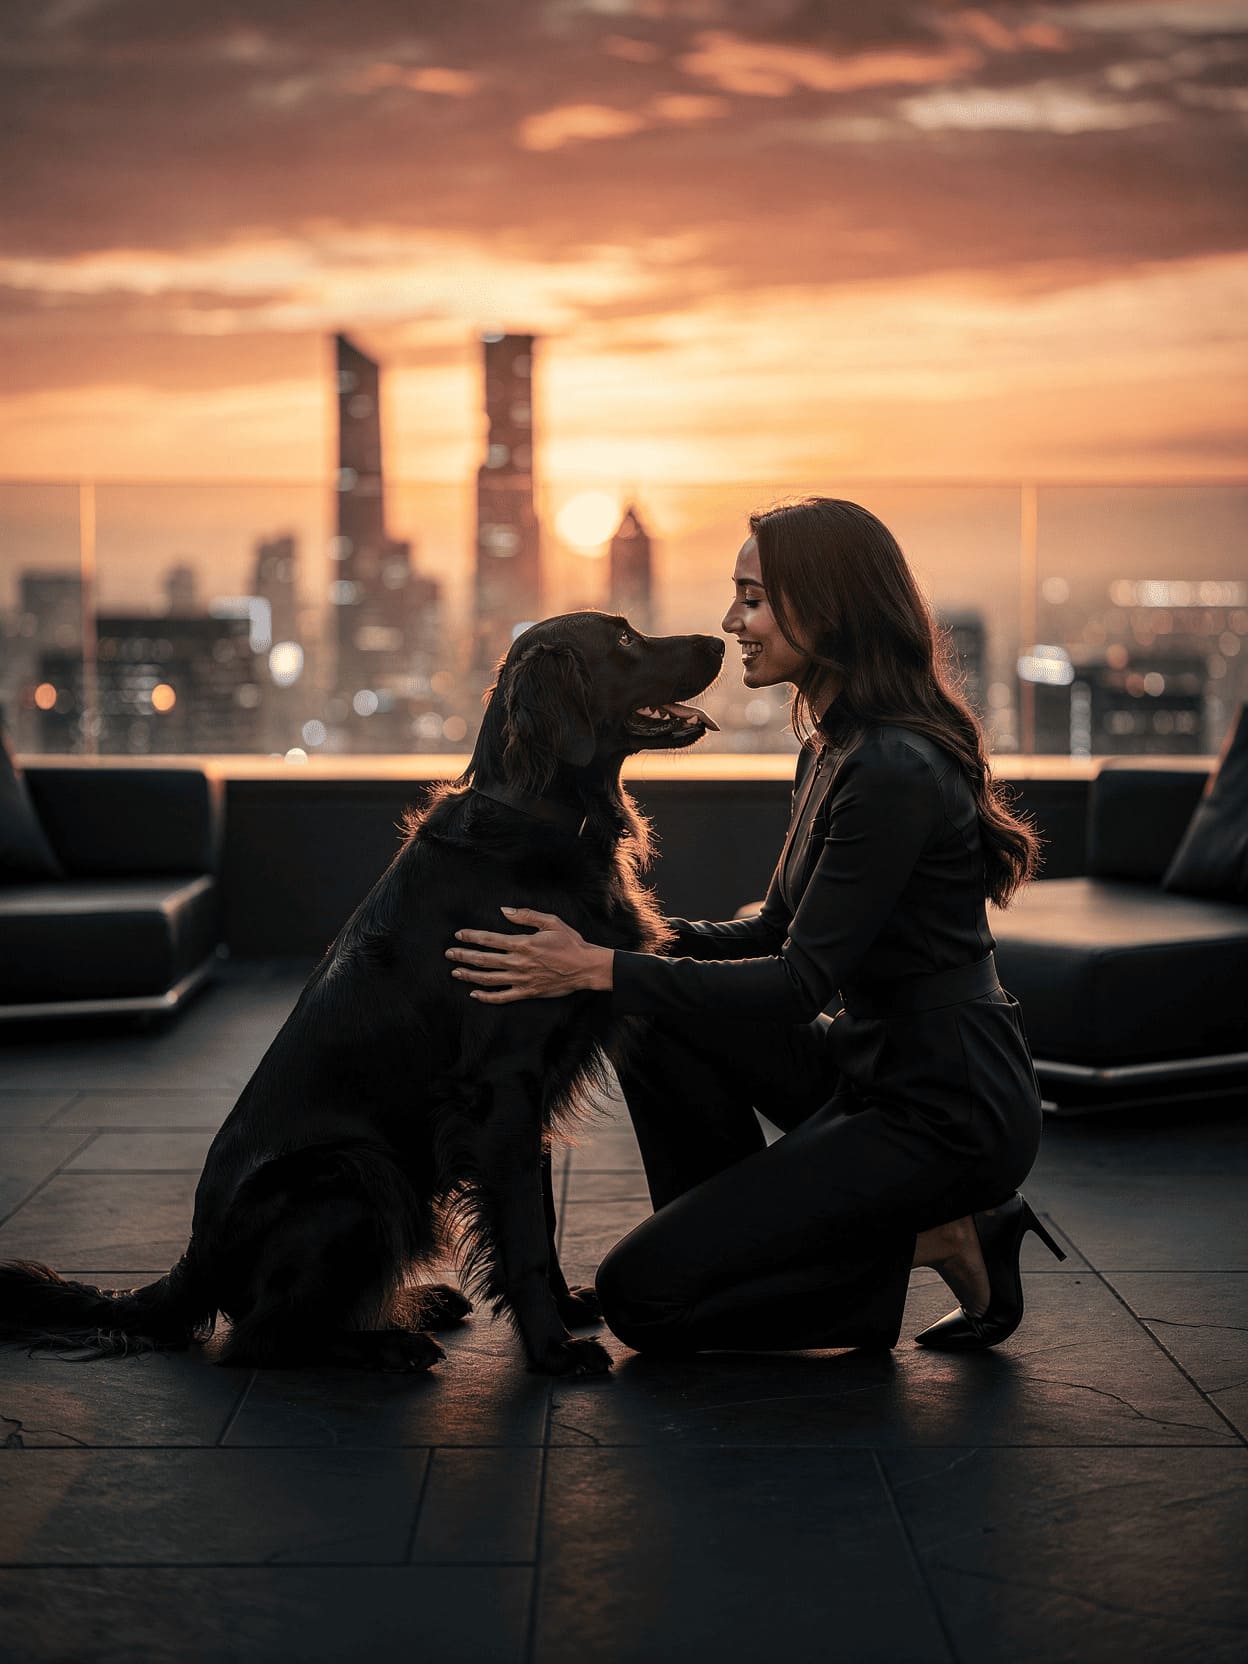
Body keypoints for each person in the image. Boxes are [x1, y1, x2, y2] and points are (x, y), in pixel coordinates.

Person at [445, 496, 1066, 1357]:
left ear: (829, 607)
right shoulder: (834, 743)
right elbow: (777, 927)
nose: (733, 621)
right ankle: (737, 1243)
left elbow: (797, 984)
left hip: (945, 1112)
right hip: (866, 1071)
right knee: (650, 1014)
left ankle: (952, 1233)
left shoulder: (890, 767)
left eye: (755, 598)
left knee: (644, 1302)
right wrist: (618, 953)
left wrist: (598, 969)